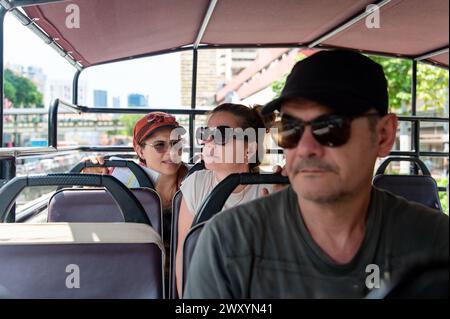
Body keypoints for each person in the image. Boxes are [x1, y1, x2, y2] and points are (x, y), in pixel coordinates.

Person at [183, 50, 449, 298]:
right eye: (290, 128)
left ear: (383, 135)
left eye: (331, 127)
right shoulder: (228, 243)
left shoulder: (435, 242)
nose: (306, 148)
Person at [175, 103, 276, 296]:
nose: (208, 141)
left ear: (249, 149)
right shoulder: (196, 184)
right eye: (205, 133)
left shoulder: (271, 190)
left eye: (221, 135)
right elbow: (185, 255)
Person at [82, 112, 188, 291]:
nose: (171, 152)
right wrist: (90, 171)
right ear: (140, 151)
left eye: (176, 143)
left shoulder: (196, 180)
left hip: (183, 275)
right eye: (160, 145)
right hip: (132, 273)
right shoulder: (118, 177)